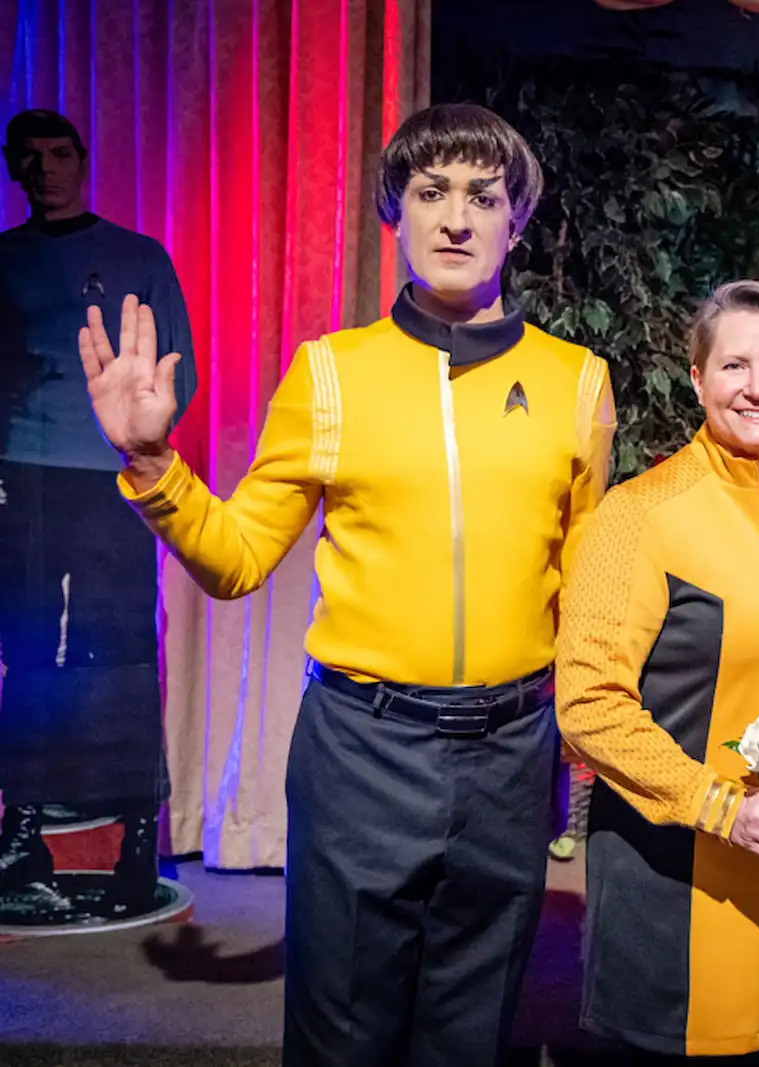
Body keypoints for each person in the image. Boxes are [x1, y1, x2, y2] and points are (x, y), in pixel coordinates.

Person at [76, 102, 614, 1066]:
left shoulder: (578, 381)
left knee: (474, 1037)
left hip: (510, 754)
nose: (456, 217)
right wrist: (154, 461)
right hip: (364, 751)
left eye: (483, 197)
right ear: (393, 216)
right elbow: (236, 558)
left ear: (516, 220)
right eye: (430, 192)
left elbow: (583, 585)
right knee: (343, 1041)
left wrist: (578, 746)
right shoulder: (330, 373)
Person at [556, 280, 759, 1061]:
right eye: (734, 366)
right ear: (697, 379)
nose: (758, 387)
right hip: (681, 888)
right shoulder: (638, 513)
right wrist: (721, 807)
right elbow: (587, 703)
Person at [0, 108, 196, 920]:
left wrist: (146, 454)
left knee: (118, 652)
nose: (44, 168)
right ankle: (25, 828)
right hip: (22, 476)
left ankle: (138, 832)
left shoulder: (137, 256)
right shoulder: (4, 260)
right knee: (29, 655)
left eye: (58, 154)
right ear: (13, 169)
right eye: (28, 157)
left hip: (112, 479)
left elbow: (176, 374)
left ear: (83, 159)